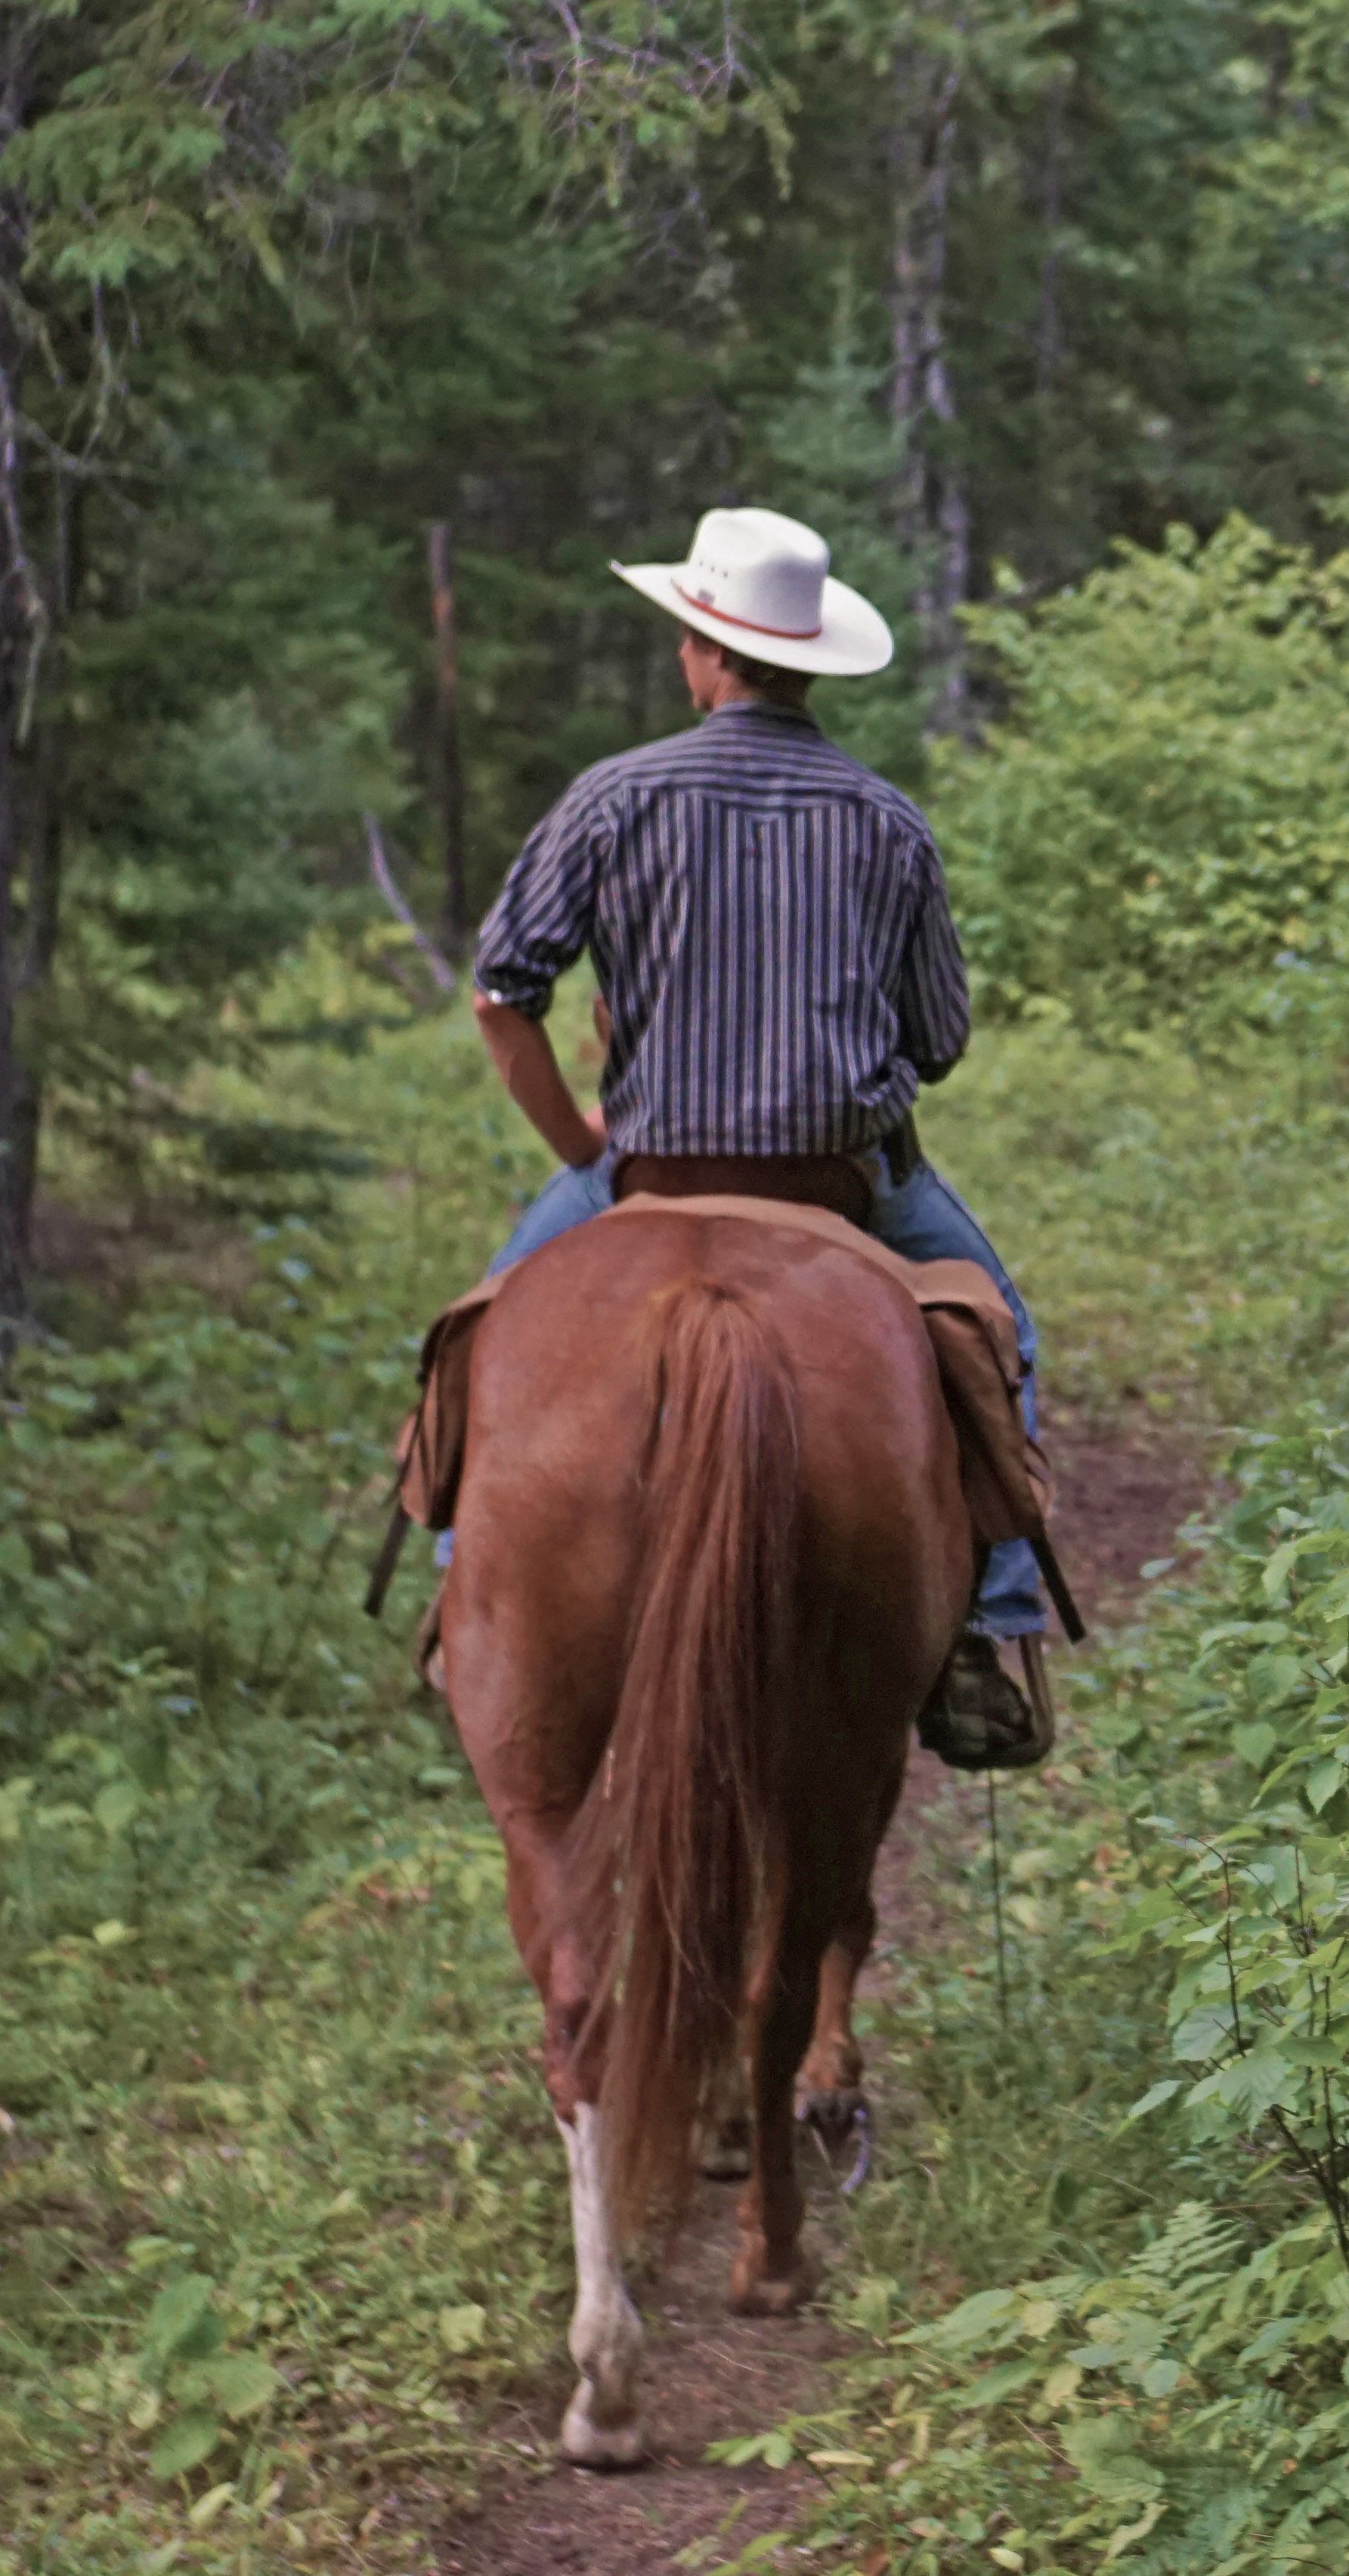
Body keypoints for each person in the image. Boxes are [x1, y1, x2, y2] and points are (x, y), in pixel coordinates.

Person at [461, 505, 1052, 1769]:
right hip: (849, 1189)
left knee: (476, 1341)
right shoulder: (889, 822)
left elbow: (502, 990)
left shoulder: (613, 797)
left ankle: (471, 1595)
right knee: (1003, 1341)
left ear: (701, 647)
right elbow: (938, 1040)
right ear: (808, 656)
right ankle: (980, 1638)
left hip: (649, 1176)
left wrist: (577, 1144)